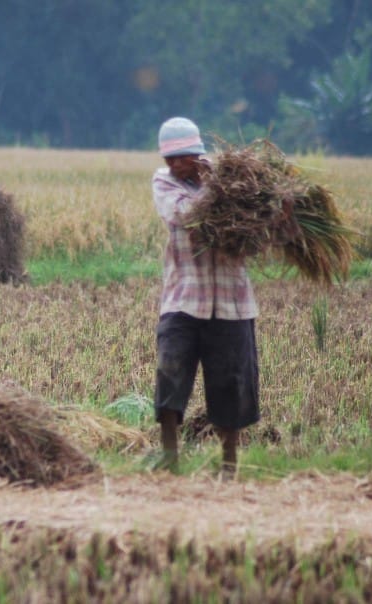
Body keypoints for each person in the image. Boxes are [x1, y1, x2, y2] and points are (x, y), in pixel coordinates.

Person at [151, 116, 260, 478]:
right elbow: (184, 214)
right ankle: (170, 461)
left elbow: (260, 236)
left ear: (196, 153)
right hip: (183, 301)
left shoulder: (235, 180)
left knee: (231, 385)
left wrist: (276, 214)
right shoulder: (165, 183)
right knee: (170, 375)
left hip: (232, 305)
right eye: (168, 158)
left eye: (179, 158)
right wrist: (230, 199)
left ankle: (229, 467)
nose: (173, 165)